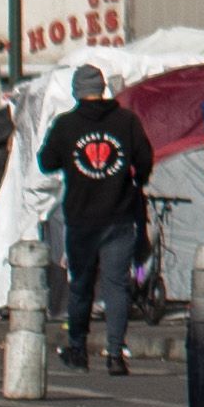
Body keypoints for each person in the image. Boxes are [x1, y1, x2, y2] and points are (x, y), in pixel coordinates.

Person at [46, 67, 154, 376]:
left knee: (80, 286)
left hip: (81, 218)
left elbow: (46, 161)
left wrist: (70, 161)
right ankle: (116, 354)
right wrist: (137, 180)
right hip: (119, 216)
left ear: (76, 91)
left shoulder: (66, 125)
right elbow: (145, 159)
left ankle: (78, 350)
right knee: (116, 286)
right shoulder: (127, 121)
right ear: (103, 89)